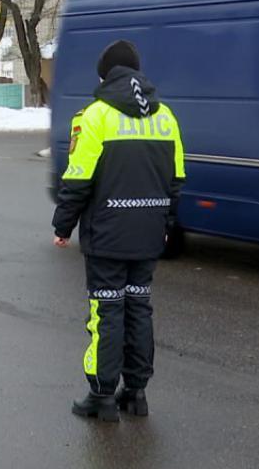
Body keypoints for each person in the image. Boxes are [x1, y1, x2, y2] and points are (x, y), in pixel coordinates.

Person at [51, 39, 184, 423]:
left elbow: (78, 179)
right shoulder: (166, 117)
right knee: (139, 309)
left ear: (105, 74)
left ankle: (102, 395)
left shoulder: (94, 116)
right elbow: (175, 181)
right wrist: (166, 226)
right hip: (148, 233)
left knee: (106, 312)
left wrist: (63, 225)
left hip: (108, 234)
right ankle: (137, 393)